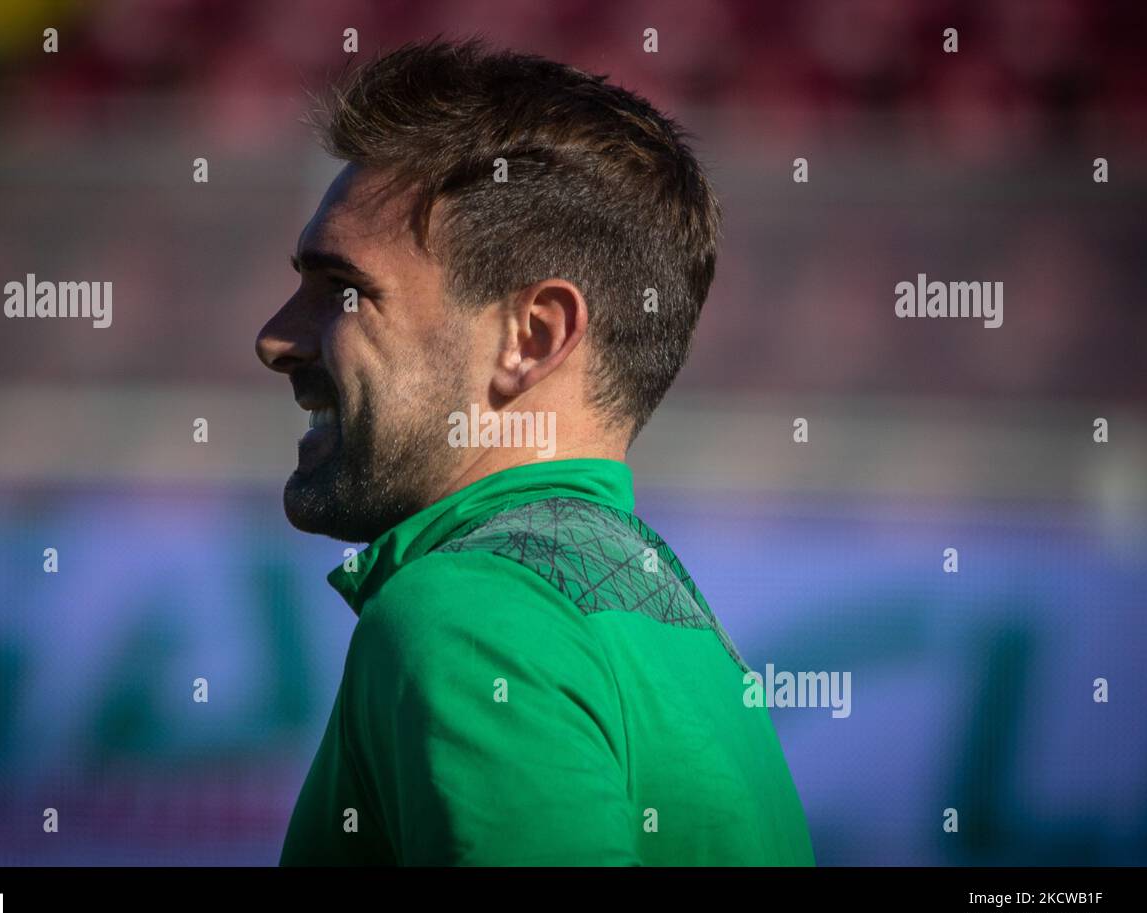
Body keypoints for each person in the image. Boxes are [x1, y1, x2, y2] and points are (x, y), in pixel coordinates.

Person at [257, 38, 814, 866]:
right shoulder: (665, 616)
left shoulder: (467, 614)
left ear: (532, 336)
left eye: (344, 291)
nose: (276, 340)